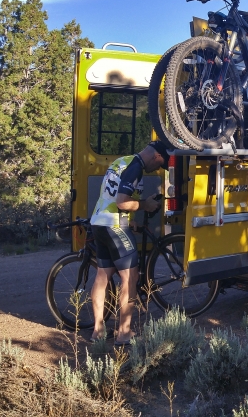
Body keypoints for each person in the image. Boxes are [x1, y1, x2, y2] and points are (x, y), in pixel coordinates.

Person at [89, 140, 169, 344]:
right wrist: (146, 205)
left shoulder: (121, 162)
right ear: (156, 157)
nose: (157, 169)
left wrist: (131, 221)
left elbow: (111, 195)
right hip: (114, 225)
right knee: (130, 277)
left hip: (99, 222)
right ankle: (124, 333)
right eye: (160, 165)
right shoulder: (135, 168)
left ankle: (98, 331)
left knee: (102, 275)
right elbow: (122, 201)